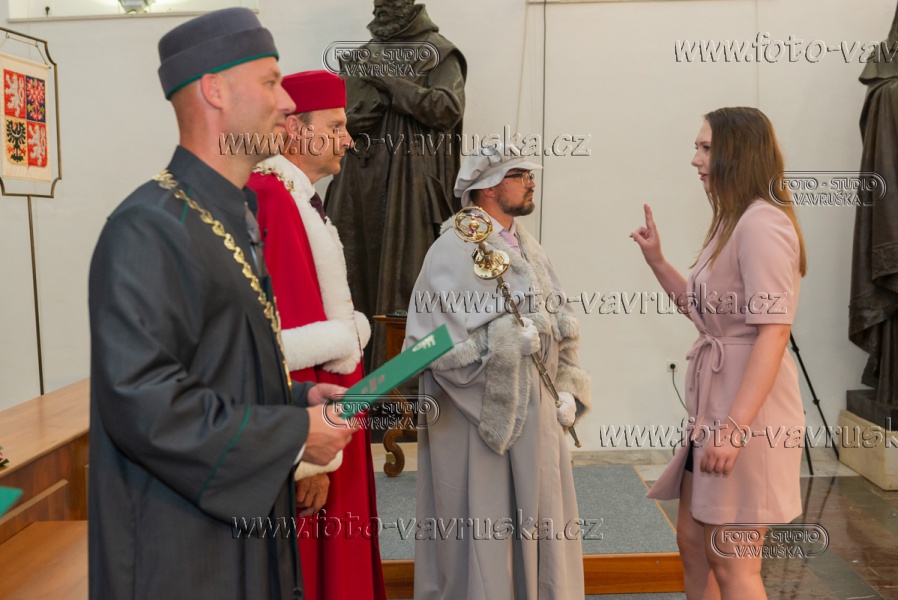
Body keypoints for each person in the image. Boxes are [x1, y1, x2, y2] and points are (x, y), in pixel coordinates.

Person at [87, 9, 354, 600]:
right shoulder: (148, 227)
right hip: (181, 553)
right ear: (214, 90)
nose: (287, 102)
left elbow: (215, 374)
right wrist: (293, 435)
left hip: (240, 533)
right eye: (270, 81)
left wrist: (297, 399)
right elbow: (144, 404)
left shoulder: (233, 217)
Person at [631, 107, 807, 600]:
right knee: (694, 544)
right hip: (714, 409)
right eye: (698, 147)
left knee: (733, 562)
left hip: (747, 413)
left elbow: (774, 334)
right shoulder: (732, 221)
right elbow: (706, 314)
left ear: (738, 152)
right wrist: (657, 261)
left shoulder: (762, 224)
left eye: (706, 148)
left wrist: (734, 429)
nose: (695, 159)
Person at [404, 143, 591, 600]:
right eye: (519, 175)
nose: (531, 182)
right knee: (484, 525)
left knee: (542, 519)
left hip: (538, 417)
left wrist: (568, 388)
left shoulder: (528, 245)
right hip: (479, 421)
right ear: (488, 186)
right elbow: (431, 348)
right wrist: (505, 342)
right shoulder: (452, 249)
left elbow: (562, 323)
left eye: (530, 174)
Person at [247, 70, 386, 600]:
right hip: (315, 419)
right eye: (335, 126)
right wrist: (308, 457)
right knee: (318, 561)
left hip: (334, 411)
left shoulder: (298, 197)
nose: (347, 140)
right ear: (295, 129)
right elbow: (285, 339)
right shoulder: (273, 197)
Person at [326, 0, 467, 372]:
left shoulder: (438, 52)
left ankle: (403, 389)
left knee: (409, 287)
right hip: (357, 189)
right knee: (350, 280)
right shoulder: (359, 57)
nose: (384, 5)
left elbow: (447, 109)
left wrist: (391, 85)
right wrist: (350, 121)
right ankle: (351, 383)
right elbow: (335, 119)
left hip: (410, 191)